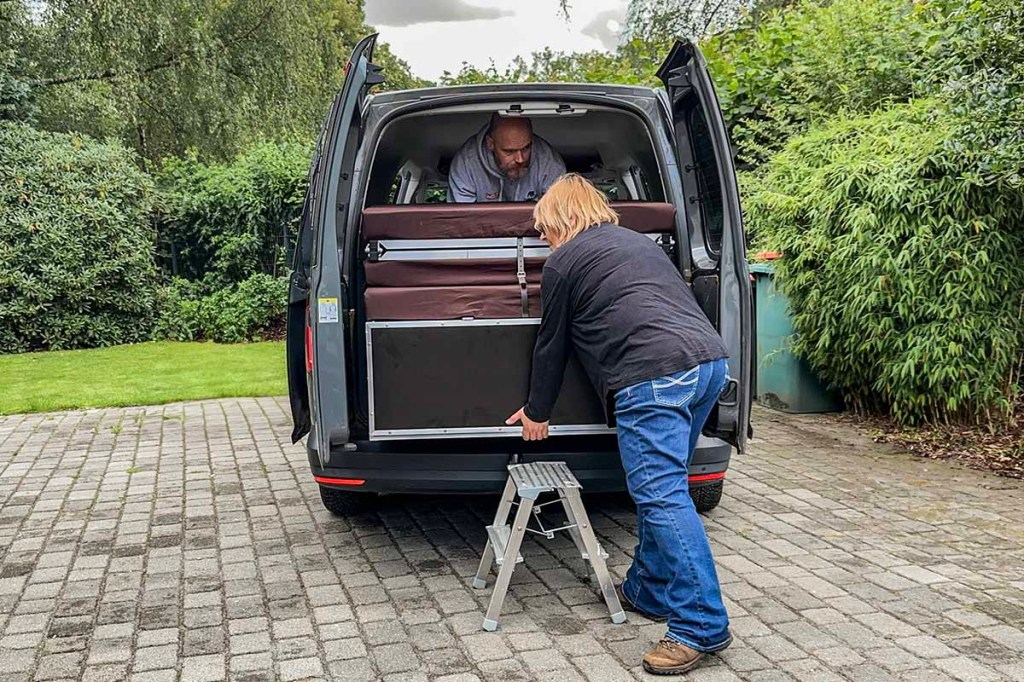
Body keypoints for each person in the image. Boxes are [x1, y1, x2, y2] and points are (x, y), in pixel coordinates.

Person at [506, 174, 732, 675]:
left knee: (662, 495)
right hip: (709, 365)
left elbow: (552, 342)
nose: (544, 240)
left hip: (653, 377)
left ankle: (701, 625)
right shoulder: (638, 243)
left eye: (544, 229)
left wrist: (538, 412)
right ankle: (648, 588)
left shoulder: (565, 261)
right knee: (662, 487)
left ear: (562, 220)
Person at [448, 113, 565, 203]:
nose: (520, 159)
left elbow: (559, 221)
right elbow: (462, 222)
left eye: (526, 148)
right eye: (510, 151)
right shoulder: (466, 164)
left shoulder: (550, 163)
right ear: (490, 144)